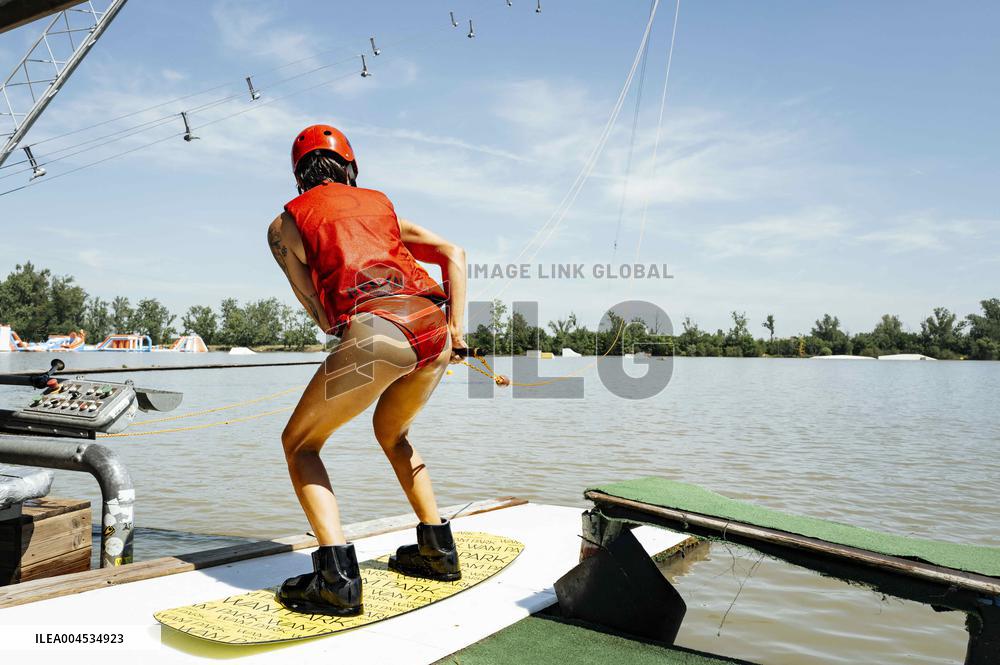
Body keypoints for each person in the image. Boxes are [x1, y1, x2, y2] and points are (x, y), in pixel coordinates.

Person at [267, 124, 470, 616]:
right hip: (431, 327)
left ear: (298, 175)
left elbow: (316, 307)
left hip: (378, 333)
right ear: (351, 168)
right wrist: (457, 332)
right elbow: (454, 254)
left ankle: (335, 579)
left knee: (300, 444)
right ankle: (436, 550)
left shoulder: (282, 226)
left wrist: (349, 333)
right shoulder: (381, 205)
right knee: (392, 433)